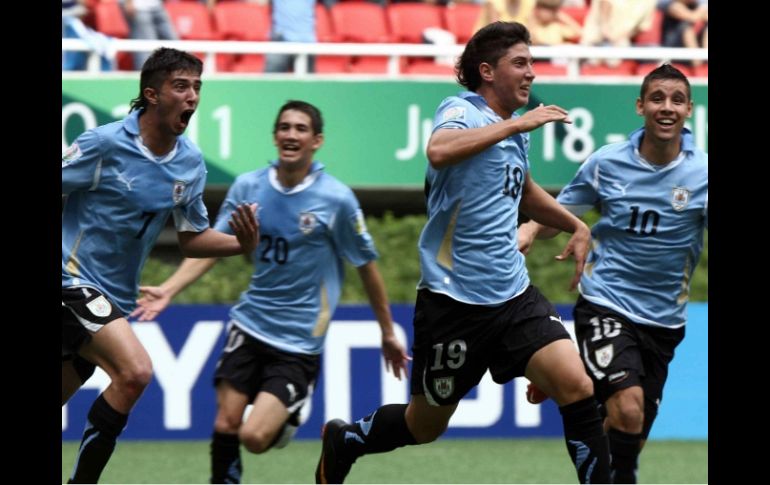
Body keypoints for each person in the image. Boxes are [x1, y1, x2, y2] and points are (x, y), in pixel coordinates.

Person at [315, 21, 610, 485]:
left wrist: (573, 223)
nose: (531, 73)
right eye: (521, 63)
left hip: (513, 295)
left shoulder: (516, 130)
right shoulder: (462, 110)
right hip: (453, 304)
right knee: (423, 425)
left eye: (532, 63)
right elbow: (438, 150)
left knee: (577, 386)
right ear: (488, 71)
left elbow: (523, 189)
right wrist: (518, 122)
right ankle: (346, 440)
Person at [131, 100, 410, 484]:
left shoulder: (337, 200)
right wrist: (169, 288)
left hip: (298, 341)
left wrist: (387, 331)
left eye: (300, 129)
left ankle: (289, 416)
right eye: (284, 127)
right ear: (275, 136)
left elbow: (366, 266)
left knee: (254, 437)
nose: (290, 135)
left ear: (317, 141)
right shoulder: (249, 186)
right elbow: (216, 244)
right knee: (226, 422)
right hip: (249, 324)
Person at [62, 47, 259, 484]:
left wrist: (239, 244)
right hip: (70, 281)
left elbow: (192, 239)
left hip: (113, 297)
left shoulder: (189, 164)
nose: (192, 96)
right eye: (181, 86)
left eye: (197, 87)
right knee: (134, 372)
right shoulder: (104, 144)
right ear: (151, 95)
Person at [518, 63, 708, 483]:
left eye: (677, 100)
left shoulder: (703, 174)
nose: (666, 107)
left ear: (689, 110)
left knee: (628, 432)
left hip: (664, 322)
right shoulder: (607, 163)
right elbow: (563, 214)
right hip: (607, 303)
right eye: (657, 98)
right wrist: (531, 227)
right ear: (640, 106)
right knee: (628, 407)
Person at [121, 0, 179, 70]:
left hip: (157, 5)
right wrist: (129, 2)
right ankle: (144, 77)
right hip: (138, 7)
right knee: (146, 48)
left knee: (174, 43)